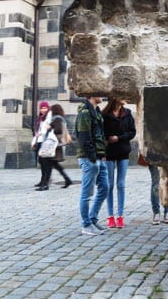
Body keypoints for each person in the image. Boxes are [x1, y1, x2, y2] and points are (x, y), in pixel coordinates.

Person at [76, 95, 109, 235]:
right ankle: (86, 224)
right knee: (87, 193)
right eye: (99, 93)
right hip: (89, 158)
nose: (102, 96)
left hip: (98, 158)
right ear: (91, 95)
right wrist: (93, 158)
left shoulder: (96, 112)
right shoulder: (85, 113)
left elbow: (99, 135)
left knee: (105, 188)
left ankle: (92, 219)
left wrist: (101, 155)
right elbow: (84, 138)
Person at [102, 98, 136, 229]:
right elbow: (101, 133)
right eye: (122, 96)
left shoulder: (127, 113)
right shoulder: (105, 115)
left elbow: (132, 132)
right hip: (109, 153)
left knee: (121, 184)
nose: (125, 98)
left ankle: (120, 216)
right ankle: (110, 216)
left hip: (123, 152)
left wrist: (119, 138)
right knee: (109, 185)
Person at [36, 104, 73, 191]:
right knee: (54, 164)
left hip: (53, 145)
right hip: (55, 145)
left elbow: (58, 130)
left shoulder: (56, 118)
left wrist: (49, 127)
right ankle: (67, 179)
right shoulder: (60, 118)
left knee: (48, 164)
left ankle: (45, 184)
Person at [33, 101, 51, 188]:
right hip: (40, 141)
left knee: (45, 163)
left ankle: (46, 182)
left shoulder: (49, 117)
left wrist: (41, 133)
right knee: (41, 162)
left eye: (45, 108)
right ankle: (42, 180)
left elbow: (46, 129)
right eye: (41, 108)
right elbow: (38, 131)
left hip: (46, 142)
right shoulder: (40, 118)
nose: (43, 110)